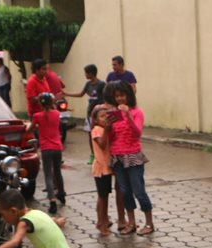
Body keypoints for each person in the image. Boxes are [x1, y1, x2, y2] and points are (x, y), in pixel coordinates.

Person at [105, 81, 154, 236]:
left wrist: (127, 115)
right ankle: (131, 222)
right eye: (117, 96)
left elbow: (137, 133)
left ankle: (149, 223)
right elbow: (112, 137)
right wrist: (108, 126)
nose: (120, 99)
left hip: (133, 157)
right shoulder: (114, 114)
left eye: (122, 95)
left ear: (129, 95)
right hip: (118, 157)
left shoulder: (136, 112)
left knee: (139, 191)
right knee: (125, 192)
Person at [29, 92, 65, 214]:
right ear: (52, 102)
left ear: (40, 103)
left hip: (46, 148)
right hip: (57, 147)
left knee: (48, 175)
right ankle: (61, 193)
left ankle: (52, 200)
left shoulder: (37, 116)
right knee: (58, 172)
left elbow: (30, 129)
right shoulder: (56, 113)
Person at [90, 104, 115, 235]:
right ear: (95, 119)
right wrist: (106, 130)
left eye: (107, 116)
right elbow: (102, 144)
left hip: (107, 168)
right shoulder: (96, 130)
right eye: (101, 116)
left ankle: (104, 220)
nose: (105, 118)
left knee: (105, 196)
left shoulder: (104, 129)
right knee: (102, 197)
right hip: (100, 168)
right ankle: (101, 223)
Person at [66, 64, 105, 128]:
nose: (85, 75)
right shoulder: (88, 84)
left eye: (86, 73)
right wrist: (67, 94)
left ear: (91, 73)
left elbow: (106, 97)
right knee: (90, 132)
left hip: (99, 112)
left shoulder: (101, 84)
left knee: (98, 131)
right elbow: (80, 94)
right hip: (90, 111)